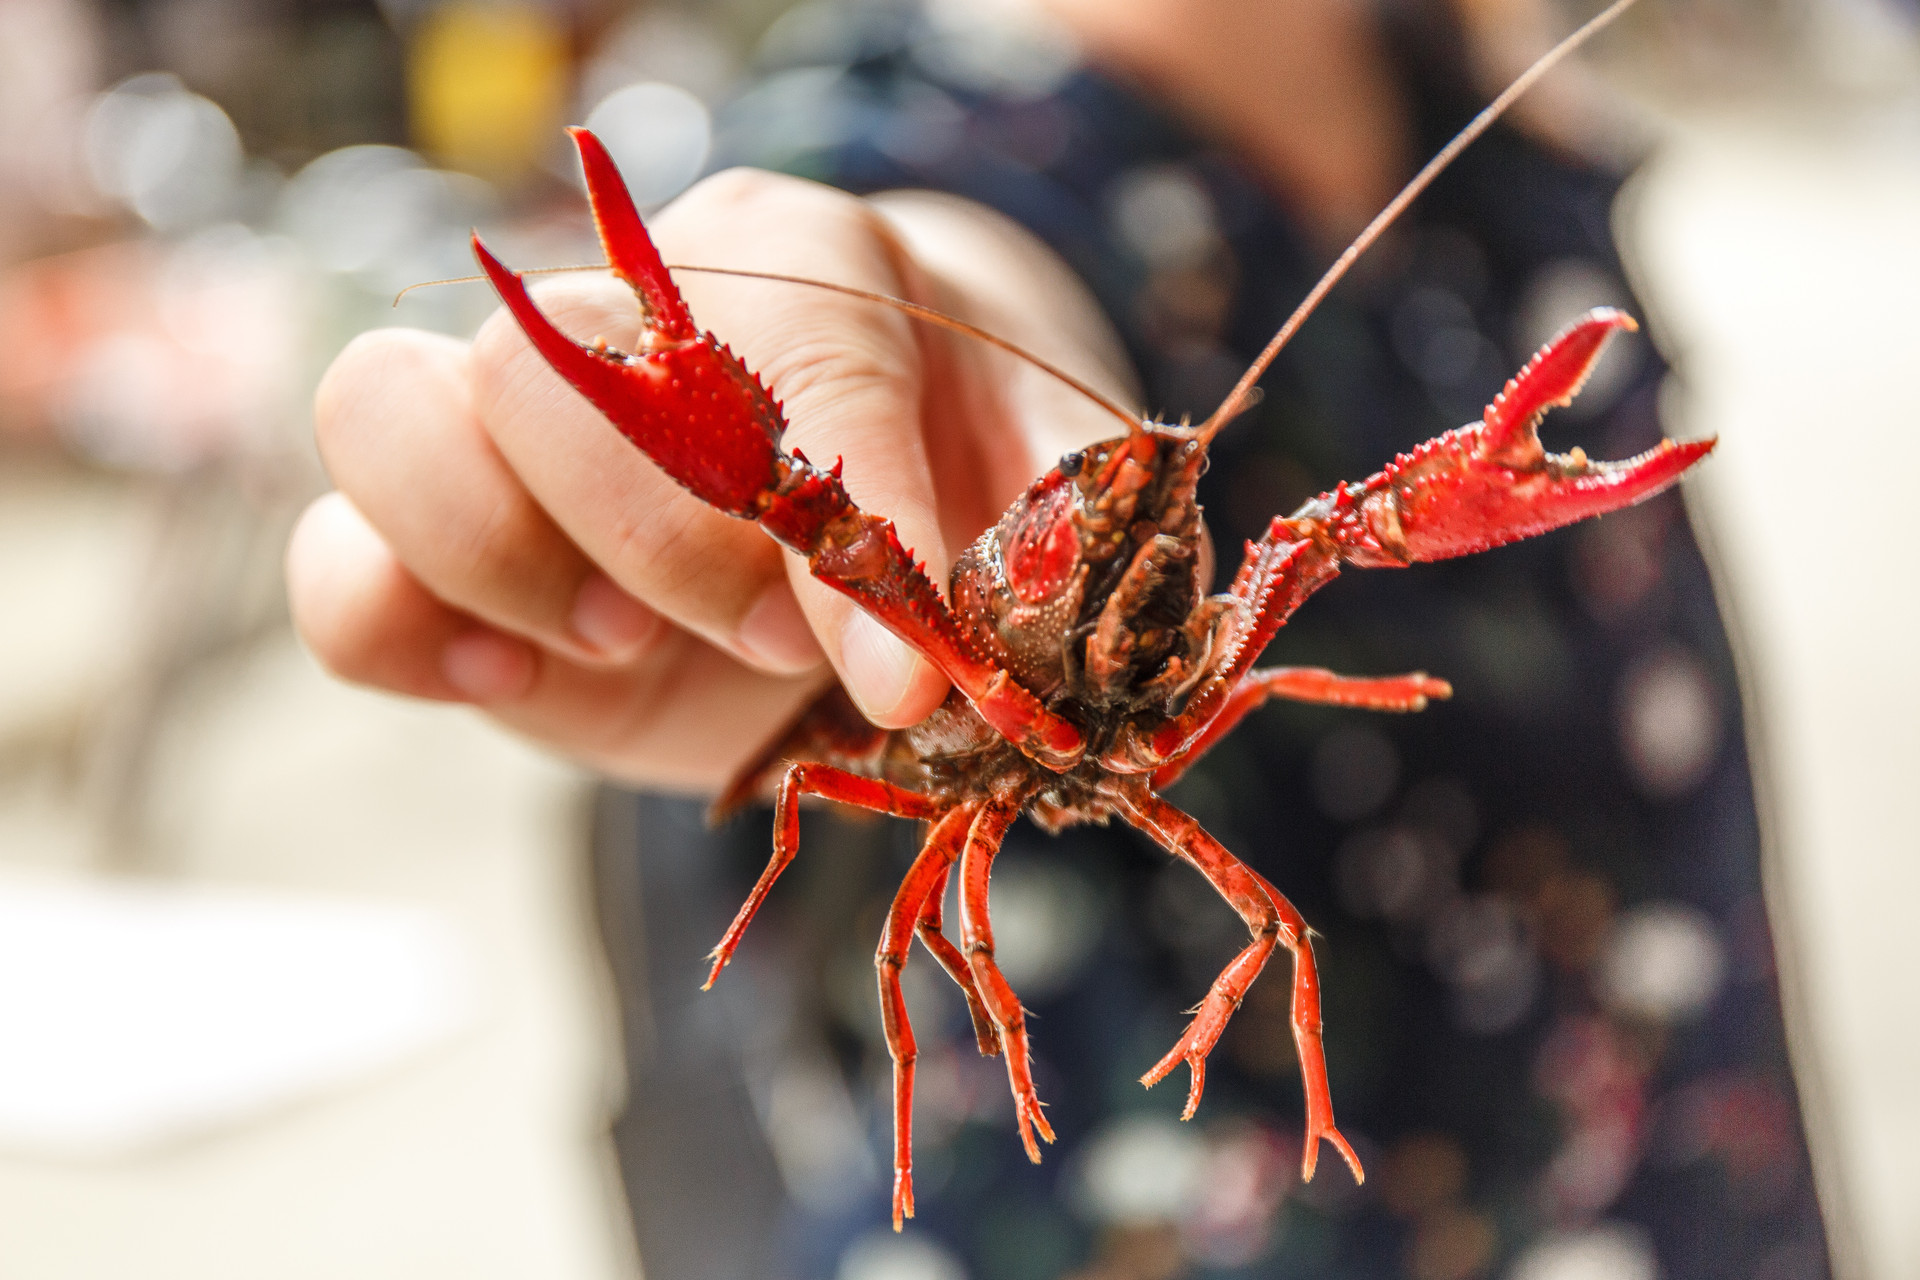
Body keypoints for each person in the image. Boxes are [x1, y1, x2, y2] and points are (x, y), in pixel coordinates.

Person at [288, 1, 1831, 1276]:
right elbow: (904, 242)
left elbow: (1298, 592)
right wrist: (913, 283)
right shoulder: (949, 131)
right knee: (919, 926)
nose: (1160, 495)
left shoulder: (1510, 153)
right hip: (1085, 1214)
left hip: (1681, 1185)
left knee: (1281, 764)